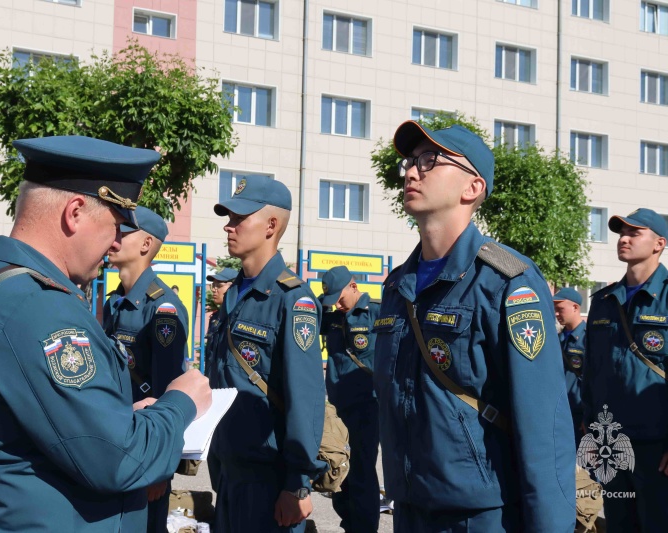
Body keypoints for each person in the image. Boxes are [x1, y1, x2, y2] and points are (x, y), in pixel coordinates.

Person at [0, 135, 212, 532]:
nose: (116, 241)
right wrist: (181, 403)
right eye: (115, 223)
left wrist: (116, 418)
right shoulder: (39, 306)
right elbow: (118, 460)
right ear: (75, 212)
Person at [374, 121, 575, 532]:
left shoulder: (506, 281)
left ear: (472, 188)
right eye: (411, 161)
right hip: (410, 509)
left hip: (480, 515)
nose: (412, 171)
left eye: (431, 160)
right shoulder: (399, 285)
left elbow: (543, 422)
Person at [206, 175, 327, 532]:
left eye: (240, 218)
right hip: (229, 470)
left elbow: (305, 398)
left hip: (269, 479)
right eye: (229, 218)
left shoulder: (293, 299)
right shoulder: (234, 296)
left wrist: (297, 483)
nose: (229, 227)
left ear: (271, 225)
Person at [103, 205, 189, 533]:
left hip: (145, 452)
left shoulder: (162, 308)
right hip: (114, 439)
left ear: (145, 244)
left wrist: (161, 470)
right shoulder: (114, 303)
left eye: (123, 232)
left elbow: (169, 394)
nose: (113, 238)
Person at [581, 208, 668, 531]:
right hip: (612, 444)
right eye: (621, 233)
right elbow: (591, 372)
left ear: (659, 243)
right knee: (619, 525)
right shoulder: (604, 301)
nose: (624, 239)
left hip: (656, 447)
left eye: (634, 233)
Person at [318, 265, 381, 533]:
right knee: (338, 468)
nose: (338, 305)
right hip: (337, 409)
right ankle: (349, 525)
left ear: (353, 287)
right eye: (331, 301)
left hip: (367, 407)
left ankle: (364, 529)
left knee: (362, 471)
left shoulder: (377, 313)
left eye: (340, 298)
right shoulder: (332, 318)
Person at [553, 287, 586, 448]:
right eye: (555, 310)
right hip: (561, 411)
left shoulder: (589, 337)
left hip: (580, 412)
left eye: (560, 309)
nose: (557, 314)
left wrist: (590, 416)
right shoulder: (556, 338)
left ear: (575, 307)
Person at [203, 266, 238, 375]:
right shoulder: (215, 318)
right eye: (213, 285)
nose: (214, 289)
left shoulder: (238, 317)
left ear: (233, 287)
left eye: (219, 285)